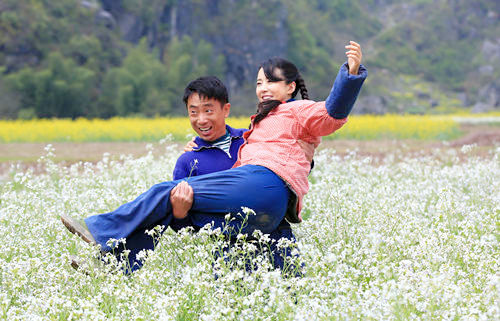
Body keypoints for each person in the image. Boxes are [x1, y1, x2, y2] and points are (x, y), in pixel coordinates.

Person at [61, 41, 367, 273]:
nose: (263, 89)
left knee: (162, 191)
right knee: (269, 277)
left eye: (271, 82)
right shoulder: (248, 133)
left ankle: (102, 230)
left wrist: (350, 74)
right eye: (259, 83)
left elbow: (332, 112)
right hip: (263, 213)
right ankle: (115, 265)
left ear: (289, 87)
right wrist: (182, 208)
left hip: (267, 184)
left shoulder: (297, 110)